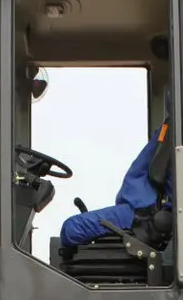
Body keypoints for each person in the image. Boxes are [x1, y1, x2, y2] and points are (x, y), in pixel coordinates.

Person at [59, 89, 173, 249]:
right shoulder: (171, 130)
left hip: (141, 211)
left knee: (72, 229)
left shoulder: (173, 133)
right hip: (141, 206)